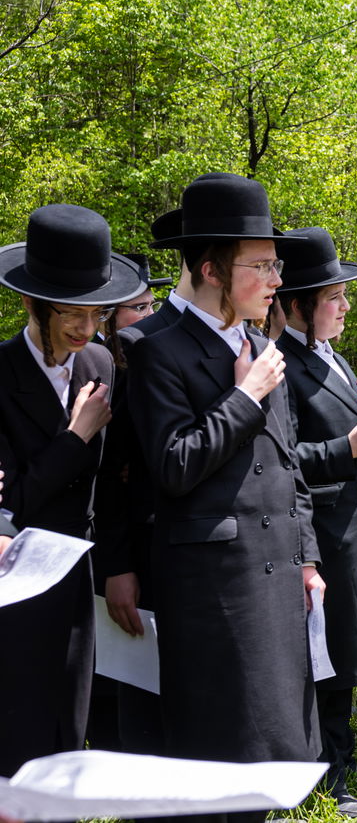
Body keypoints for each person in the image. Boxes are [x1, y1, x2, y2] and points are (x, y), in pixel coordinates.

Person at [125, 173, 324, 823]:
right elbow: (173, 465)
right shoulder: (155, 349)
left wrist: (308, 557)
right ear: (211, 267)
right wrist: (244, 399)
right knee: (217, 768)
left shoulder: (262, 343)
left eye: (277, 263)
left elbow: (289, 464)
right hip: (213, 593)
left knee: (271, 760)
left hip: (276, 582)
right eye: (260, 264)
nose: (276, 277)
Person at [0, 204, 138, 776]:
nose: (86, 329)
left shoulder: (103, 361)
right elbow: (14, 503)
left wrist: (119, 565)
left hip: (80, 577)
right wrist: (77, 436)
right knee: (19, 729)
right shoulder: (1, 375)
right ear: (31, 303)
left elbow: (116, 482)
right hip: (15, 581)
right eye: (70, 315)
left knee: (70, 724)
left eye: (97, 313)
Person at [274, 227, 357, 818]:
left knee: (347, 654)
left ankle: (344, 762)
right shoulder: (283, 366)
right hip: (325, 529)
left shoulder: (331, 353)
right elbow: (282, 460)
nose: (347, 306)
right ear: (298, 305)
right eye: (334, 297)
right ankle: (328, 774)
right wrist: (346, 447)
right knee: (327, 658)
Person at [91, 209, 189, 757]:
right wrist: (117, 565)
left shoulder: (151, 361)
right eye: (138, 307)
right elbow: (111, 478)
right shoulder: (113, 375)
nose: (148, 315)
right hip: (129, 546)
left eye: (153, 304)